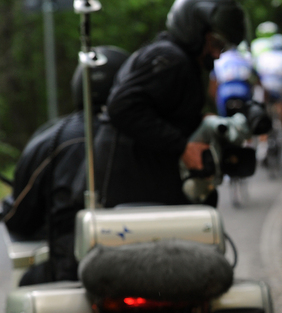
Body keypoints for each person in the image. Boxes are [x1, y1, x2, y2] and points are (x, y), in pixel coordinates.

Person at [94, 0, 247, 208]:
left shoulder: (178, 59)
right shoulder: (170, 59)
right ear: (194, 29)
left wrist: (200, 122)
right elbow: (122, 107)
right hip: (132, 186)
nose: (217, 55)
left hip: (143, 182)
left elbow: (162, 112)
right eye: (215, 44)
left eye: (223, 48)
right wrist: (182, 147)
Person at [0, 46, 129, 285]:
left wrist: (9, 207)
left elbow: (20, 218)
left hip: (71, 270)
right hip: (151, 265)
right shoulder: (154, 134)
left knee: (27, 283)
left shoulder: (53, 139)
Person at [254, 33, 282, 131]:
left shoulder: (263, 56)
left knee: (265, 105)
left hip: (264, 82)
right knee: (281, 103)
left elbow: (257, 73)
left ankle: (266, 127)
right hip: (279, 82)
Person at [210, 40, 255, 117]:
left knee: (224, 118)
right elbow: (255, 80)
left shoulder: (219, 59)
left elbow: (212, 88)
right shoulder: (246, 57)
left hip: (225, 91)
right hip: (243, 89)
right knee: (248, 115)